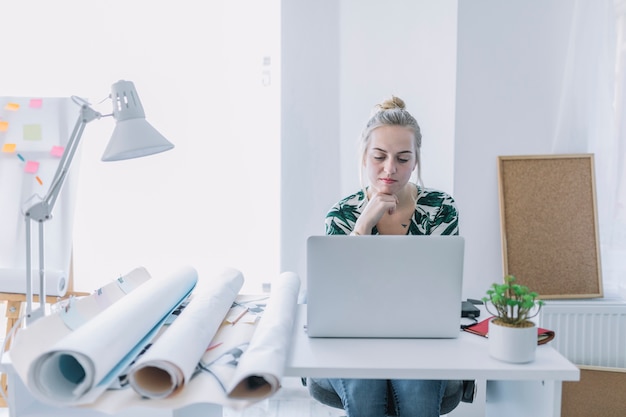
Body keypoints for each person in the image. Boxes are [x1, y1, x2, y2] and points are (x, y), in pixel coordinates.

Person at [312, 96, 459, 417]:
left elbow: (439, 290)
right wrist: (364, 223)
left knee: (418, 392)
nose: (390, 169)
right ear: (364, 155)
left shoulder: (440, 209)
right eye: (379, 156)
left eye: (403, 159)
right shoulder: (342, 215)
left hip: (421, 340)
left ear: (416, 160)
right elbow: (335, 296)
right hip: (352, 341)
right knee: (364, 391)